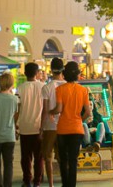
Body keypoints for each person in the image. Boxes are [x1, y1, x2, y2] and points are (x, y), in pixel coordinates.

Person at [52, 61, 91, 187]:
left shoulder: (59, 89)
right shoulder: (83, 90)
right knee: (73, 160)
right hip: (77, 129)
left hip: (63, 129)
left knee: (63, 160)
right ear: (77, 75)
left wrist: (50, 111)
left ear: (64, 74)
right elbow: (88, 111)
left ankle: (65, 184)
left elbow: (58, 109)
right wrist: (80, 119)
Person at [16, 63, 44, 187]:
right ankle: (37, 182)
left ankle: (27, 180)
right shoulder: (43, 87)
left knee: (25, 157)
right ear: (37, 73)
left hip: (24, 127)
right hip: (38, 127)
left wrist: (15, 125)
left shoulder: (20, 88)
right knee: (39, 157)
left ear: (25, 73)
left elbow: (18, 107)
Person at [39, 59, 64, 187]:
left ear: (51, 70)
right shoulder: (68, 86)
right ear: (62, 69)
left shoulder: (46, 88)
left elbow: (45, 110)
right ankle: (65, 181)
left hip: (49, 126)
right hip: (64, 126)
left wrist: (41, 128)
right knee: (62, 158)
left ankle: (51, 184)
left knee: (47, 157)